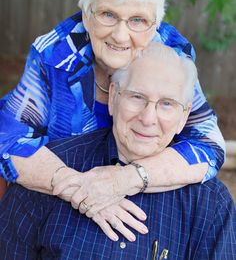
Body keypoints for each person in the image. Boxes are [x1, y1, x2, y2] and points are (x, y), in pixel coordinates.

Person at [0, 0, 225, 236]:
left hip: (150, 204)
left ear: (155, 24)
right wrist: (83, 191)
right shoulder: (55, 55)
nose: (120, 35)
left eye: (137, 20)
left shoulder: (171, 57)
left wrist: (125, 180)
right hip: (62, 213)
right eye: (108, 14)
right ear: (86, 13)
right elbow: (8, 140)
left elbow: (209, 146)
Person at [0, 42, 235, 260]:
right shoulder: (45, 173)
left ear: (184, 116)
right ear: (112, 98)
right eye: (136, 97)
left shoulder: (210, 203)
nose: (148, 118)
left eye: (166, 104)